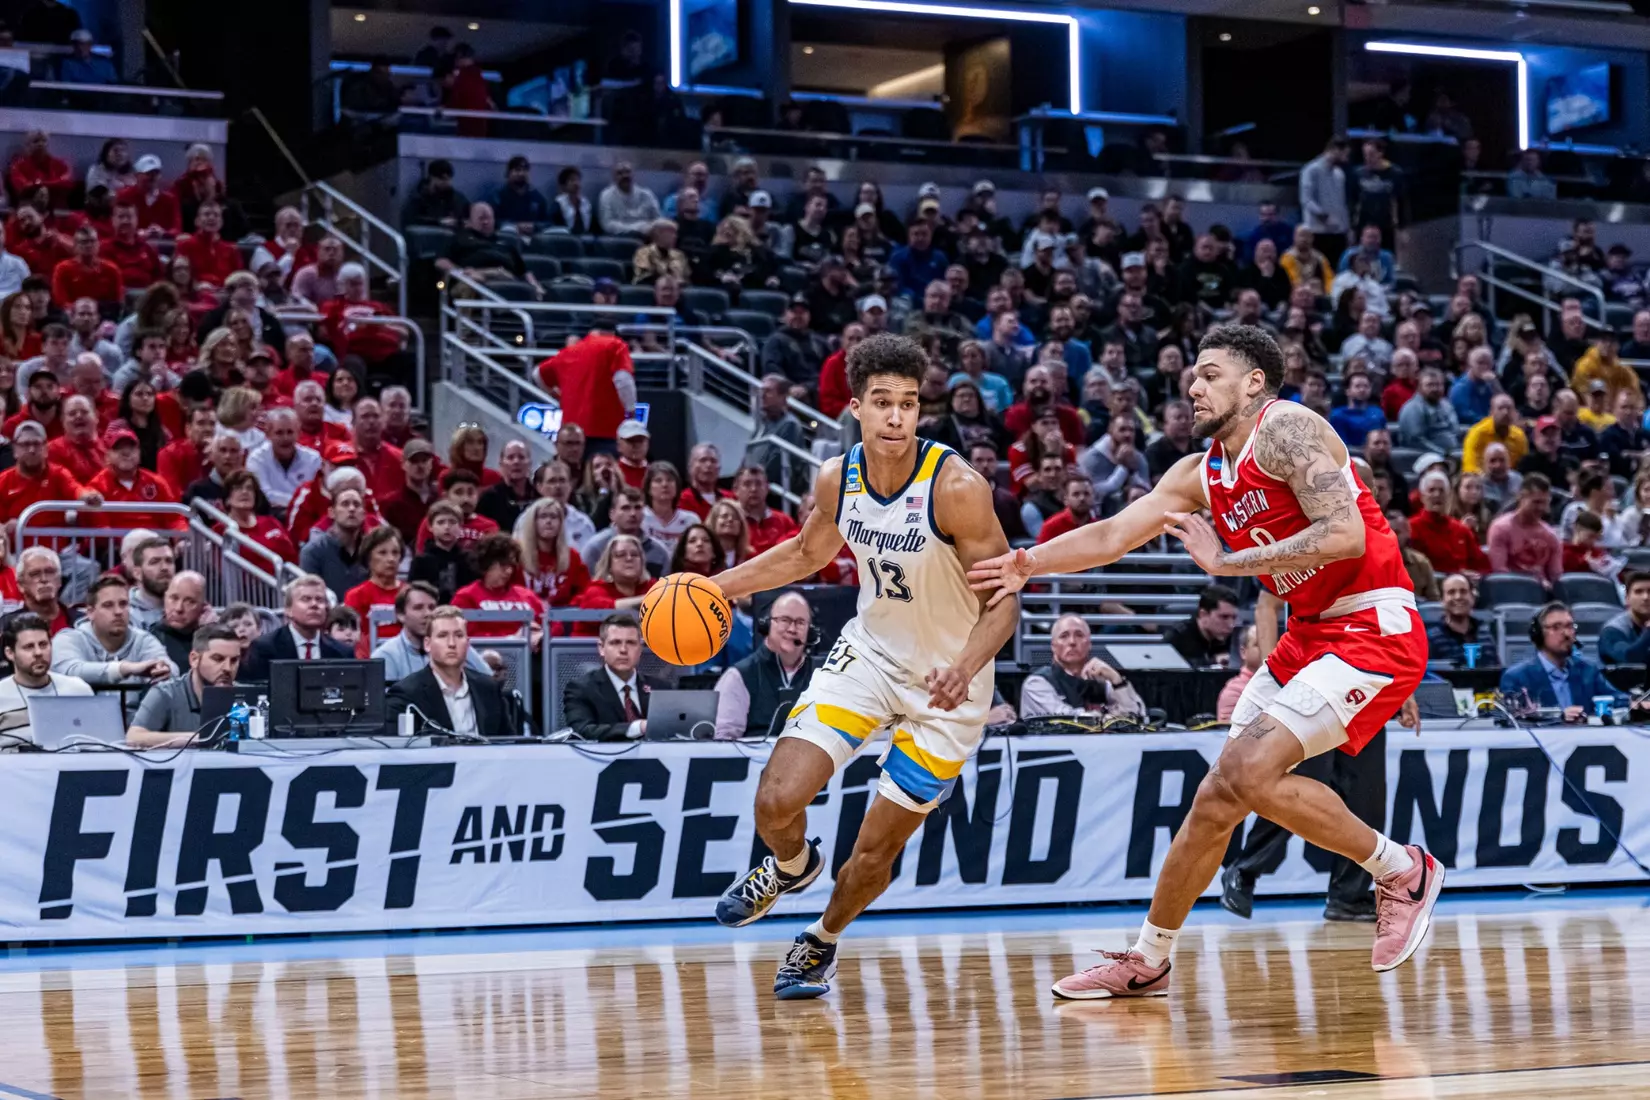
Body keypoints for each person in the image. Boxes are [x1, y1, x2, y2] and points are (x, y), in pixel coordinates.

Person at [970, 323, 1434, 996]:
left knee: (1246, 771)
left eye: (1209, 373)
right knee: (1219, 797)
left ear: (1253, 382)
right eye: (1191, 373)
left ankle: (1401, 869)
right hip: (1308, 636)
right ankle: (1148, 958)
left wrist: (1227, 561)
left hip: (1370, 623)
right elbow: (1112, 534)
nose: (1192, 385)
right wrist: (1026, 562)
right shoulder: (1200, 473)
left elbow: (1344, 533)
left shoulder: (1288, 429)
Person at [706, 333, 1015, 1000]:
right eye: (883, 403)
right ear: (857, 408)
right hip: (869, 657)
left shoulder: (958, 488)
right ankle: (792, 866)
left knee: (873, 853)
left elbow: (1004, 608)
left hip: (949, 684)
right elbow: (802, 554)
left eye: (908, 403)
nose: (898, 417)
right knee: (775, 799)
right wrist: (714, 588)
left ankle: (821, 939)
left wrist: (964, 667)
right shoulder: (835, 476)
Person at [387, 606, 520, 740]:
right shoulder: (407, 693)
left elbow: (508, 743)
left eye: (458, 635)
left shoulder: (488, 688)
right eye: (442, 636)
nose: (451, 643)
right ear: (427, 644)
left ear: (467, 643)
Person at [1499, 603, 1630, 720]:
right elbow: (1512, 720)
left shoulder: (1588, 670)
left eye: (1569, 626)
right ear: (1538, 634)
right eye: (1556, 627)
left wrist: (1635, 703)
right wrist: (1559, 717)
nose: (1566, 633)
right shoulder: (1517, 677)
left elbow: (1617, 699)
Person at [713, 591, 815, 740]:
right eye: (784, 620)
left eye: (800, 622)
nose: (792, 629)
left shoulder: (824, 675)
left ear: (810, 631)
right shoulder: (739, 677)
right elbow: (724, 745)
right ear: (766, 625)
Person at [127, 624, 243, 749]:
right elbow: (134, 737)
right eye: (218, 659)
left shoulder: (246, 696)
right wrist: (200, 738)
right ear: (194, 659)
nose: (227, 668)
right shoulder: (166, 693)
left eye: (234, 660)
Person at [51, 573, 176, 685]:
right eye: (108, 605)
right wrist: (123, 669)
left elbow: (171, 668)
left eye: (123, 604)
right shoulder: (68, 639)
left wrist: (164, 669)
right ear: (90, 612)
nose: (118, 612)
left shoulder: (143, 640)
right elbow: (68, 670)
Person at [561, 612, 668, 740]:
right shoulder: (581, 689)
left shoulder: (661, 688)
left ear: (640, 649)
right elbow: (581, 731)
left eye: (631, 643)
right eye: (615, 642)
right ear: (601, 648)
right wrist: (637, 728)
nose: (623, 649)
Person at [534, 326, 636, 454]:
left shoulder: (570, 350)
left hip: (571, 434)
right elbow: (623, 379)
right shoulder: (615, 344)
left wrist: (556, 394)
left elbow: (538, 374)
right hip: (605, 431)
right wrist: (631, 410)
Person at [1019, 614, 1140, 720]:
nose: (1072, 642)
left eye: (1079, 635)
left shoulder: (1102, 681)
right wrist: (1110, 716)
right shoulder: (1036, 684)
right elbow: (1067, 720)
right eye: (1064, 636)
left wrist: (1116, 680)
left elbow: (1136, 714)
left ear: (1089, 644)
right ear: (1053, 646)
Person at [0, 613, 92, 750]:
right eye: (29, 647)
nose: (38, 652)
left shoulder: (78, 690)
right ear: (10, 653)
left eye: (43, 645)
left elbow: (98, 745)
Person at [240, 574, 351, 681]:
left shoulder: (342, 652)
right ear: (288, 610)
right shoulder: (264, 648)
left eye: (319, 599)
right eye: (306, 599)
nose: (314, 605)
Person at [1486, 475, 1562, 589]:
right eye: (1536, 502)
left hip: (1541, 594)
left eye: (1545, 503)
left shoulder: (1551, 536)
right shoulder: (1501, 528)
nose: (1541, 508)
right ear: (1521, 497)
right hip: (1508, 590)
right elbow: (1499, 571)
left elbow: (1556, 576)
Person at [1163, 584, 1240, 668]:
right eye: (1224, 617)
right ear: (1203, 614)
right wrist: (1212, 661)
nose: (1231, 625)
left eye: (1234, 617)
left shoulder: (1235, 639)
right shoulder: (1177, 637)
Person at [147, 570, 208, 671]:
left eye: (189, 602)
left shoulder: (212, 640)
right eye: (174, 598)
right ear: (165, 599)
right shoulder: (150, 640)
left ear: (203, 607)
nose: (179, 608)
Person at [1425, 573, 1486, 665]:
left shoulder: (1485, 635)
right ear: (1442, 600)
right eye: (1451, 592)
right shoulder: (1430, 640)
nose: (1458, 597)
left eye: (1463, 591)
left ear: (1472, 597)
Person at [1598, 571, 1650, 665]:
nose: (1646, 597)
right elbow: (1629, 657)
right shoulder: (1613, 630)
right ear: (1627, 599)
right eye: (1638, 592)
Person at [125, 536, 174, 631]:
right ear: (137, 573)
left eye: (169, 561)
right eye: (154, 562)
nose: (164, 567)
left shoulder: (188, 606)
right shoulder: (124, 612)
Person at [1217, 625, 1263, 722]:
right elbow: (1230, 732)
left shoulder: (1287, 685)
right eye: (1258, 644)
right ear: (1243, 652)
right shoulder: (1234, 691)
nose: (1267, 649)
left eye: (1271, 644)